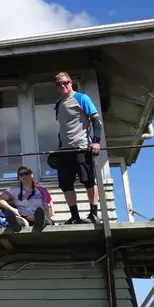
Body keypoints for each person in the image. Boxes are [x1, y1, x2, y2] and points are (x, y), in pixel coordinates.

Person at [53, 71, 103, 224]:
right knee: (65, 184)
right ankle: (75, 216)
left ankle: (93, 214)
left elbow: (96, 121)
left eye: (65, 82)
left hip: (81, 147)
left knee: (88, 180)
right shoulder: (59, 103)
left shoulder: (82, 98)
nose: (62, 86)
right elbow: (63, 128)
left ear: (71, 83)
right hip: (64, 150)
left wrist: (96, 141)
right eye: (59, 84)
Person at [0, 165, 54, 232]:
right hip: (25, 218)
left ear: (32, 175)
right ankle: (17, 225)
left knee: (41, 216)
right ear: (19, 177)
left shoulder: (42, 190)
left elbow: (49, 211)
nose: (24, 176)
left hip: (41, 218)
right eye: (21, 175)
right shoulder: (13, 190)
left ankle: (38, 226)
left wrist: (36, 216)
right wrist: (12, 209)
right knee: (21, 222)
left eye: (26, 173)